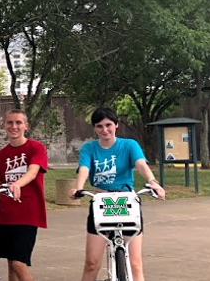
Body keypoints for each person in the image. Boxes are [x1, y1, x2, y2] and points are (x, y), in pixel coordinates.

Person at [68, 107, 166, 281]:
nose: (104, 130)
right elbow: (84, 168)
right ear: (95, 128)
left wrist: (153, 182)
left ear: (116, 125)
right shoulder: (89, 148)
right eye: (99, 126)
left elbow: (141, 164)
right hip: (100, 201)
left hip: (126, 200)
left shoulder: (129, 145)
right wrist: (78, 188)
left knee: (135, 264)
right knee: (91, 263)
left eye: (108, 125)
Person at [0, 109, 48, 281]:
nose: (14, 126)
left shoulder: (36, 148)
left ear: (26, 126)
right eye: (10, 123)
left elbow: (32, 172)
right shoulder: (1, 155)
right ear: (4, 126)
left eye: (18, 122)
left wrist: (16, 184)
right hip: (4, 216)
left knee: (18, 264)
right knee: (10, 262)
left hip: (28, 214)